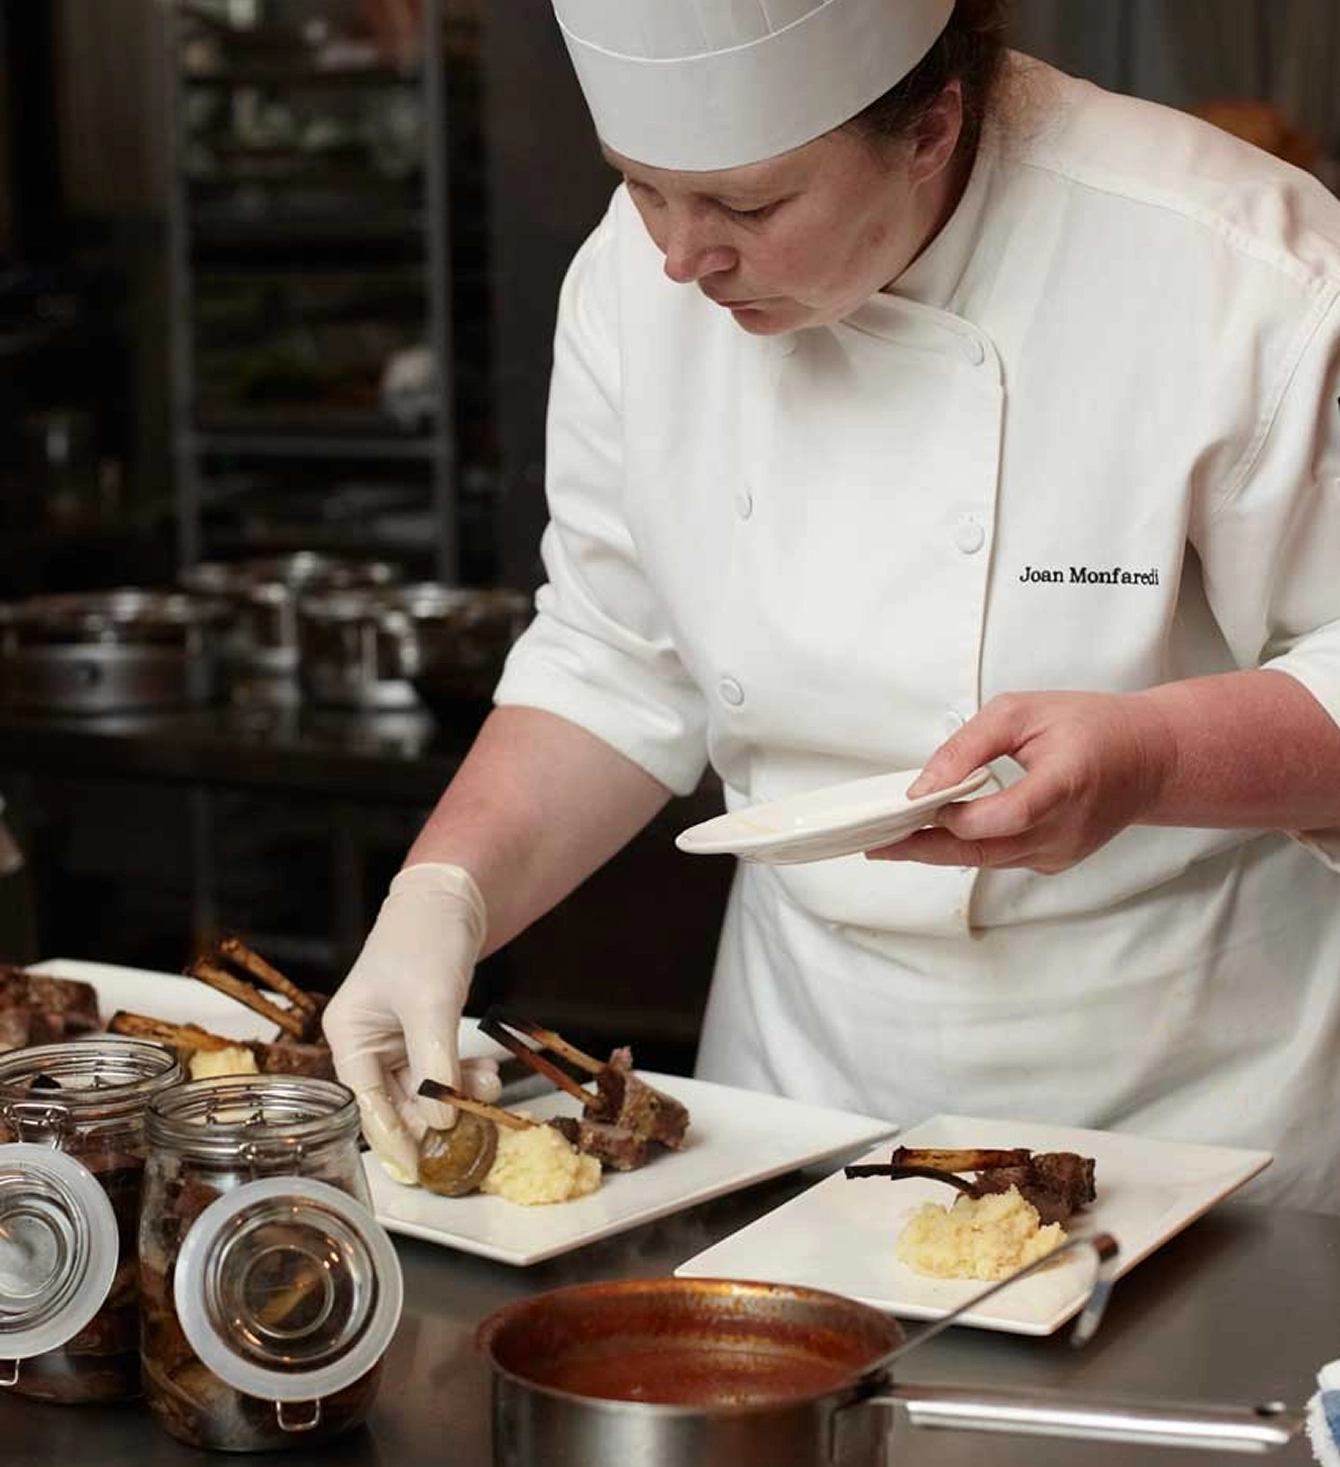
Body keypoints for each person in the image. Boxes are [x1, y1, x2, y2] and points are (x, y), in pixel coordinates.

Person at [323, 0, 1340, 1210]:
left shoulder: (1239, 269)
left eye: (749, 207)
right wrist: (444, 892)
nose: (679, 257)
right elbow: (613, 657)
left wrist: (1153, 755)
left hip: (1194, 1095)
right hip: (801, 1084)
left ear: (930, 128)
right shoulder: (633, 280)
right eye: (642, 187)